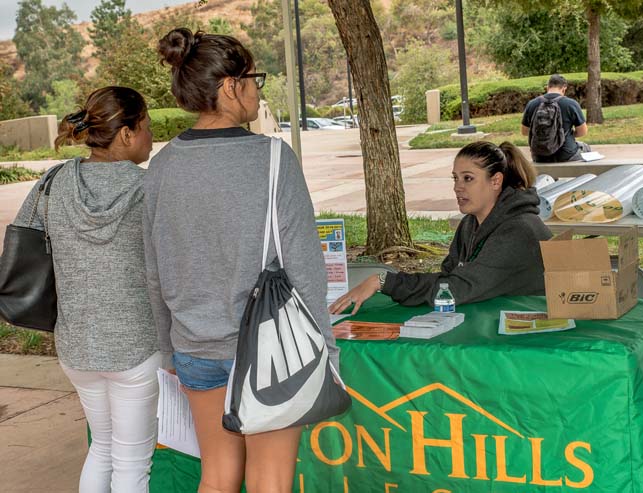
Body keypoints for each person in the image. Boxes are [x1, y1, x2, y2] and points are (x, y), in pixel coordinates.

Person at [145, 28, 339, 493]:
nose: (258, 89)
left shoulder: (162, 164)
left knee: (217, 476)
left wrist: (169, 350)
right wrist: (326, 351)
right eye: (255, 78)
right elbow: (305, 269)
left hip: (194, 348)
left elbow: (152, 270)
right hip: (270, 349)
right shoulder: (273, 158)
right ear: (230, 85)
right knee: (269, 481)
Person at [13, 86, 159, 492]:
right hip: (137, 345)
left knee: (102, 449)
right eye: (145, 127)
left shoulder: (54, 180)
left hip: (76, 345)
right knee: (132, 464)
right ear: (127, 133)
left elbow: (28, 235)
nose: (149, 137)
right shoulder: (150, 187)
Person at [330, 141, 553, 315]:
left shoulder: (519, 231)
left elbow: (456, 288)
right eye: (455, 178)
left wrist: (382, 281)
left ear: (496, 181)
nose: (458, 187)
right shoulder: (470, 223)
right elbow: (448, 277)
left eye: (468, 179)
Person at [521, 74, 590, 162]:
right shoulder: (571, 104)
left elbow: (525, 132)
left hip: (540, 156)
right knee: (585, 147)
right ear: (564, 89)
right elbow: (582, 132)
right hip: (566, 154)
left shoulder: (532, 104)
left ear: (547, 87)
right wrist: (564, 135)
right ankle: (582, 176)